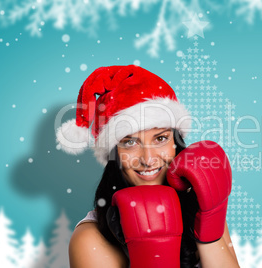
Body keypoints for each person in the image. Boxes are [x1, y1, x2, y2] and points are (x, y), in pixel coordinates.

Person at [55, 65, 239, 267]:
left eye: (160, 138)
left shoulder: (201, 204)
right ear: (113, 154)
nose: (148, 158)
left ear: (175, 143)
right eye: (130, 142)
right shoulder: (91, 240)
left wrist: (208, 231)